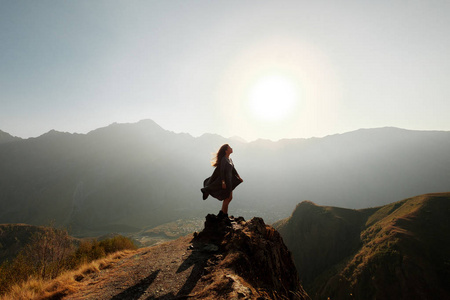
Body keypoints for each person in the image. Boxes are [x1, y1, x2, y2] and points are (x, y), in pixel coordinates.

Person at [201, 144, 243, 218]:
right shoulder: (224, 159)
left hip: (229, 181)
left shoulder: (229, 159)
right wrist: (223, 182)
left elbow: (233, 169)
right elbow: (222, 171)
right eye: (230, 148)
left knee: (229, 198)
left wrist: (239, 177)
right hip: (226, 181)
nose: (231, 148)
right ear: (226, 151)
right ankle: (224, 215)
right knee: (227, 198)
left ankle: (222, 213)